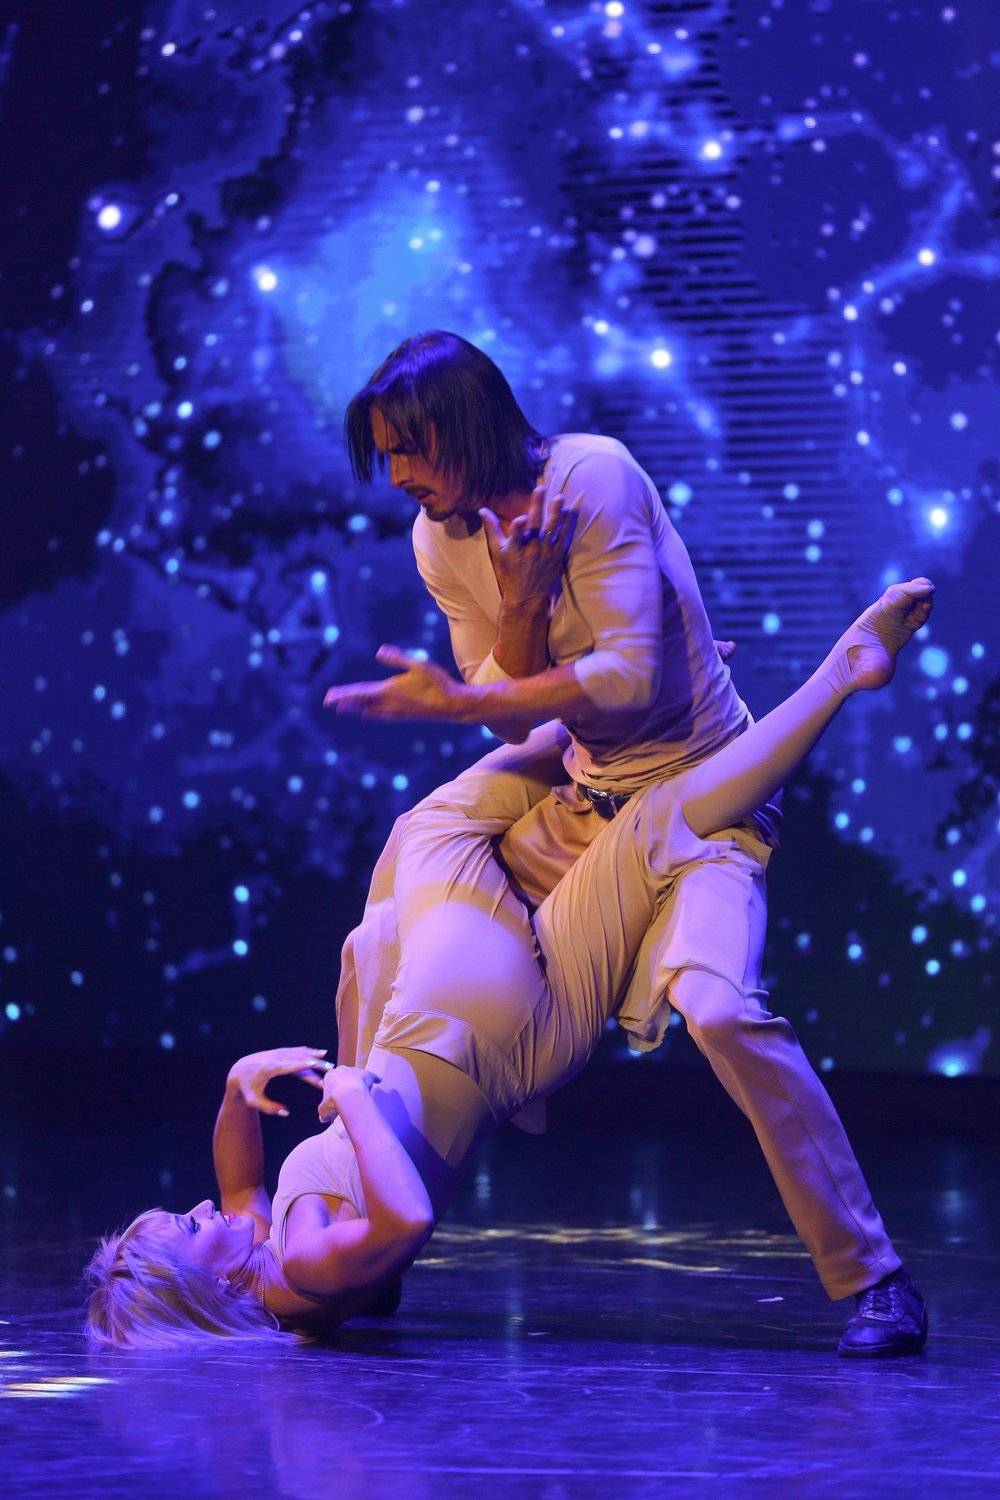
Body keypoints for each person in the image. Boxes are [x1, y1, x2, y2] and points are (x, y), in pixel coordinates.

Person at [85, 579, 933, 1355]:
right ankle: (817, 678)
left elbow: (239, 1184)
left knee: (549, 827)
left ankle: (639, 696)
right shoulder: (301, 1266)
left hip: (494, 1024)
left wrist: (238, 1089)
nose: (205, 1207)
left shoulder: (263, 1251)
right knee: (481, 830)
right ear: (213, 1289)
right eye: (191, 1228)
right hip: (474, 1025)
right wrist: (351, 1097)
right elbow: (405, 1218)